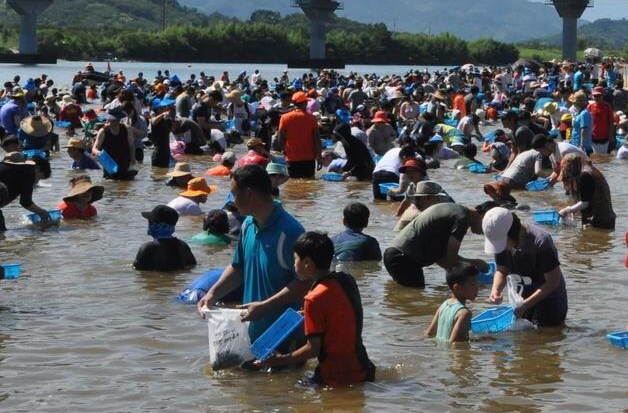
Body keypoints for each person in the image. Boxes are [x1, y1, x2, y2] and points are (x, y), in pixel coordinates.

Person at [197, 164, 308, 341]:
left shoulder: (290, 232)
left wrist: (265, 306)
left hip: (285, 338)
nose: (232, 201)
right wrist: (212, 294)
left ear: (249, 194)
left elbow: (305, 283)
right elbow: (238, 268)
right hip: (252, 333)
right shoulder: (248, 225)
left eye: (234, 194)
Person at [254, 231, 375, 387]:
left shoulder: (313, 299)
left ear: (307, 263)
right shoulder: (347, 280)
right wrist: (308, 314)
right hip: (364, 367)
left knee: (284, 390)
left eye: (295, 259)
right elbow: (343, 312)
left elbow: (313, 350)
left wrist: (280, 359)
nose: (293, 264)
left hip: (335, 377)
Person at [482, 206, 568, 326]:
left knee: (546, 339)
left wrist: (525, 305)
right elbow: (502, 270)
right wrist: (495, 289)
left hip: (549, 301)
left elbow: (553, 281)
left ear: (513, 233)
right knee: (524, 342)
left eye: (502, 243)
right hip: (522, 300)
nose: (500, 248)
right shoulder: (502, 242)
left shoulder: (541, 242)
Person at [383, 201, 482, 287]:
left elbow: (442, 259)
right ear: (483, 215)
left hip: (393, 256)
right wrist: (475, 265)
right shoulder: (462, 219)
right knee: (416, 302)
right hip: (405, 259)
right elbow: (451, 259)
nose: (486, 231)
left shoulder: (455, 211)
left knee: (407, 297)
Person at [425, 260, 492, 342]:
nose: (478, 287)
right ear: (457, 288)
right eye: (473, 284)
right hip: (451, 354)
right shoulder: (464, 313)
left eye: (477, 282)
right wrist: (481, 340)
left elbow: (428, 333)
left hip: (442, 352)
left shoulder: (444, 304)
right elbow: (456, 343)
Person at [557, 152, 616, 229]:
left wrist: (567, 210)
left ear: (570, 167)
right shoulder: (585, 171)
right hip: (603, 216)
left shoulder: (585, 176)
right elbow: (587, 198)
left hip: (600, 218)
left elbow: (585, 203)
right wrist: (574, 210)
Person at [133, 203, 196, 272]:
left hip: (155, 282)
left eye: (150, 222)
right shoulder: (183, 245)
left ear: (155, 225)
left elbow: (137, 270)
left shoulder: (147, 248)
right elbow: (192, 265)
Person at [276, 91, 320, 179]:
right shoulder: (312, 118)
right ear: (304, 103)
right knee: (309, 183)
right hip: (309, 158)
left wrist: (284, 151)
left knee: (293, 184)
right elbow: (317, 139)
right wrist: (319, 156)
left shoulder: (285, 117)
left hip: (292, 158)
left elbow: (280, 137)